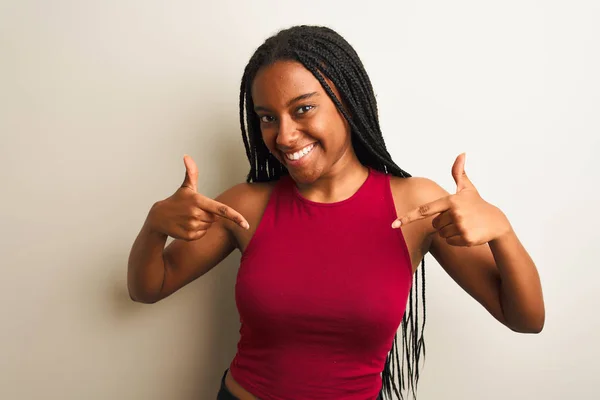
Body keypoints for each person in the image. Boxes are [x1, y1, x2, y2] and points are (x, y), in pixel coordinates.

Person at [127, 25, 545, 400]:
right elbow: (148, 288)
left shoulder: (415, 205)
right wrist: (153, 227)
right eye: (268, 118)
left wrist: (502, 232)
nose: (285, 135)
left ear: (347, 102)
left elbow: (525, 319)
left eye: (303, 108)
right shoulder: (245, 205)